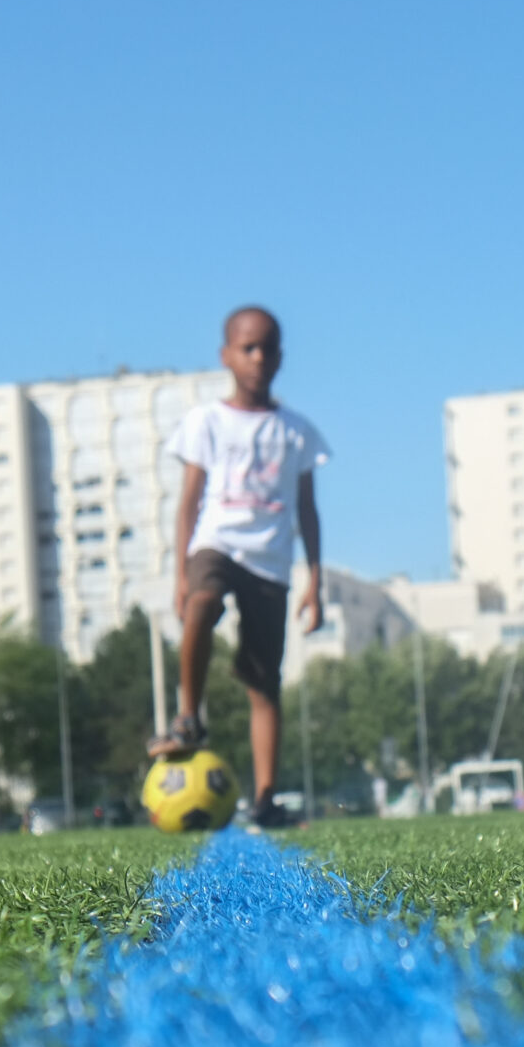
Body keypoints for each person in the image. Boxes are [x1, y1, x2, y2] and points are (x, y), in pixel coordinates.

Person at [147, 305, 330, 829]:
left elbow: (308, 510)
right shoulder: (207, 421)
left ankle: (267, 798)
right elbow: (188, 502)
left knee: (263, 684)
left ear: (281, 357)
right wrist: (182, 574)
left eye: (268, 347)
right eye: (247, 347)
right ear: (226, 355)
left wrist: (314, 582)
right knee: (203, 602)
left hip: (270, 563)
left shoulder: (296, 432)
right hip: (216, 544)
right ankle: (189, 718)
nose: (258, 357)